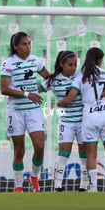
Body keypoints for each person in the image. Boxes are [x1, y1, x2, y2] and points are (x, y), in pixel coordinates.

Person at [58, 47, 105, 192]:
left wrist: (61, 103)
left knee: (91, 154)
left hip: (90, 117)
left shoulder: (80, 76)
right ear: (100, 60)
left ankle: (93, 188)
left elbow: (71, 96)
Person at [0, 31, 50, 193]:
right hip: (15, 111)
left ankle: (34, 176)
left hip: (33, 111)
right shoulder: (8, 63)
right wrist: (29, 94)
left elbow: (49, 78)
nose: (28, 47)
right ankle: (18, 186)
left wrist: (40, 89)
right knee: (19, 149)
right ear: (15, 47)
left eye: (29, 43)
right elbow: (4, 89)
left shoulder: (35, 61)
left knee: (40, 146)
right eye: (24, 44)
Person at [39, 50, 89, 192]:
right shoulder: (53, 80)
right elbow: (37, 89)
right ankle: (57, 185)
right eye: (70, 65)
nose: (73, 68)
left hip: (83, 121)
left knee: (84, 154)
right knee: (64, 152)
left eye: (75, 65)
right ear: (61, 64)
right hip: (66, 121)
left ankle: (84, 184)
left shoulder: (80, 76)